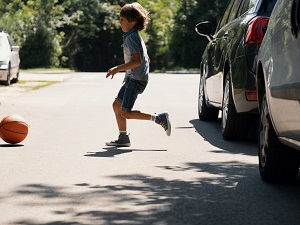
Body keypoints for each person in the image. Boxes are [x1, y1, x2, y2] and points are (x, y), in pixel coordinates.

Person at [105, 2, 171, 147]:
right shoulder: (133, 36)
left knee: (126, 112)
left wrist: (117, 68)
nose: (119, 22)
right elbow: (145, 58)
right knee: (117, 106)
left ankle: (159, 118)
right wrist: (127, 73)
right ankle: (123, 137)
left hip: (136, 80)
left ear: (132, 21)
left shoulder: (131, 37)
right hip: (133, 78)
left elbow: (137, 60)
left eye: (122, 19)